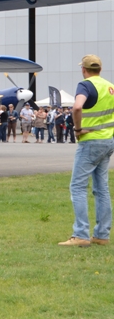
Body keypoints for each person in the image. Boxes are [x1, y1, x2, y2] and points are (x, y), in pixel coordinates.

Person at [59, 54, 114, 247]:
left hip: (90, 141)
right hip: (107, 140)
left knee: (78, 187)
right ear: (100, 69)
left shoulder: (85, 85)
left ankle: (81, 234)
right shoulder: (110, 87)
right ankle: (102, 234)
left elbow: (77, 107)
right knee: (102, 188)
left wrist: (77, 129)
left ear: (83, 69)